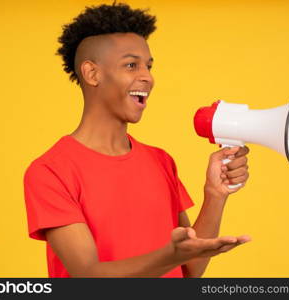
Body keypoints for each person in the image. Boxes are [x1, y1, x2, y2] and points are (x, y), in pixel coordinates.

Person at [23, 2, 250, 278]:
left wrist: (215, 195)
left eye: (149, 66)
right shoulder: (50, 171)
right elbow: (88, 276)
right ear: (92, 73)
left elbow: (189, 270)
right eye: (131, 65)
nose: (148, 77)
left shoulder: (161, 161)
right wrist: (168, 256)